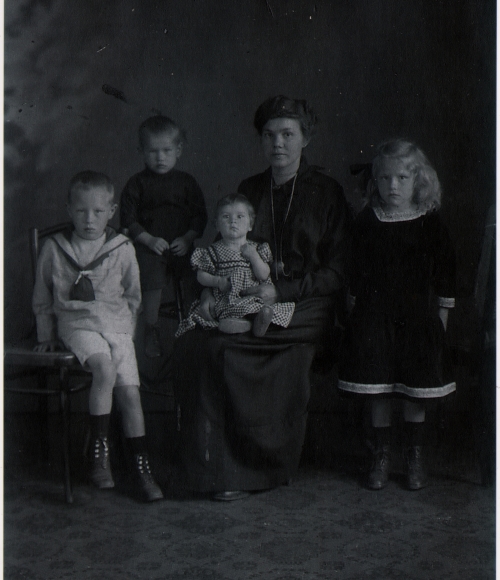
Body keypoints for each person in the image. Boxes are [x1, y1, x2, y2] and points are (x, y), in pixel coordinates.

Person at [172, 95, 351, 501]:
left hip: (308, 303)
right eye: (269, 135)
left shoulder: (327, 192)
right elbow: (221, 250)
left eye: (288, 134)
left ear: (306, 138)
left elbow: (337, 272)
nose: (278, 144)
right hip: (248, 297)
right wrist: (210, 290)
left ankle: (254, 468)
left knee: (229, 346)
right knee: (199, 342)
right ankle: (211, 466)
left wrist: (281, 290)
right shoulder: (250, 189)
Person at [32, 171, 163, 502]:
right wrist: (46, 333)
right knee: (103, 368)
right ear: (69, 209)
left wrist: (125, 332)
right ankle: (99, 454)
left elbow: (133, 295)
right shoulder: (55, 248)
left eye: (98, 211)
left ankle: (142, 468)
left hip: (116, 326)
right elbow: (42, 294)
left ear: (112, 210)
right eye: (81, 211)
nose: (89, 220)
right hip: (77, 324)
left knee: (130, 394)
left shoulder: (122, 248)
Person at [338, 139, 456, 491]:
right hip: (375, 317)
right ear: (375, 181)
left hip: (418, 318)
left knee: (414, 389)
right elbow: (354, 270)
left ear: (418, 180)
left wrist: (441, 319)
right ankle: (381, 454)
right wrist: (354, 309)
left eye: (402, 178)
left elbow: (446, 273)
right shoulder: (367, 221)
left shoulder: (429, 223)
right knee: (380, 388)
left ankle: (415, 454)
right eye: (385, 178)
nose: (393, 186)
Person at [120, 115, 207, 357]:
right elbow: (128, 220)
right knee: (152, 276)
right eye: (153, 151)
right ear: (141, 152)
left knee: (195, 274)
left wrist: (187, 238)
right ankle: (151, 327)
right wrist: (148, 239)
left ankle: (194, 323)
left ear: (178, 150)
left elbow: (199, 216)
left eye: (167, 151)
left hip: (181, 245)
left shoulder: (186, 182)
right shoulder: (137, 184)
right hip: (149, 248)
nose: (160, 157)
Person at [175, 193, 295, 338]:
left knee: (261, 307)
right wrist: (217, 281)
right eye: (226, 216)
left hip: (252, 295)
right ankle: (236, 324)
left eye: (240, 216)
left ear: (250, 225)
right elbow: (201, 275)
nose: (233, 221)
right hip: (227, 297)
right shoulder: (212, 251)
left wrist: (254, 257)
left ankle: (258, 322)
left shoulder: (257, 249)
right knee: (229, 309)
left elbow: (263, 275)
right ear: (217, 225)